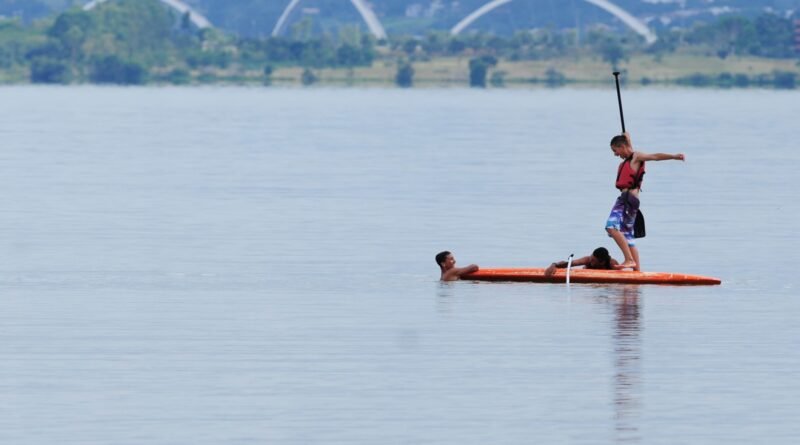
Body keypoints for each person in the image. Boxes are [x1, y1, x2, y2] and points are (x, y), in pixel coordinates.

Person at [606, 132, 684, 271]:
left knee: (611, 227)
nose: (615, 154)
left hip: (627, 201)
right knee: (627, 235)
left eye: (615, 150)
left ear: (622, 146)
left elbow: (655, 157)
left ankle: (629, 259)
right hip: (631, 201)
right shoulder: (630, 158)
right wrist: (628, 139)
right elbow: (630, 151)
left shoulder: (636, 157)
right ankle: (637, 272)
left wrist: (673, 156)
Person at [544, 247, 619, 276]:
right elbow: (570, 263)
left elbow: (622, 275)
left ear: (602, 262)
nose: (590, 261)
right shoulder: (587, 259)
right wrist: (554, 265)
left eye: (593, 261)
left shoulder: (612, 263)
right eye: (591, 258)